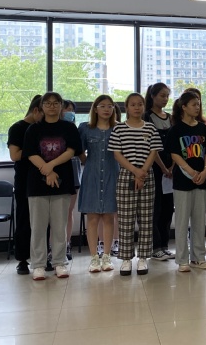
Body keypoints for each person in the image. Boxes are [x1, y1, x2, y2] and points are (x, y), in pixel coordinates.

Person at [23, 92, 82, 280]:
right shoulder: (33, 129)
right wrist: (47, 170)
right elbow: (30, 153)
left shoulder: (68, 127)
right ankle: (38, 265)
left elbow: (71, 150)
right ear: (41, 106)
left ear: (61, 106)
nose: (52, 106)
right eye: (47, 103)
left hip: (62, 182)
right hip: (37, 184)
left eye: (56, 103)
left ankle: (59, 262)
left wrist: (52, 165)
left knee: (59, 226)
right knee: (38, 227)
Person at [108, 93, 161, 276]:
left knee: (146, 219)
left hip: (147, 175)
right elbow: (117, 154)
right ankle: (125, 259)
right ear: (127, 108)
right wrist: (135, 171)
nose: (137, 107)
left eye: (140, 104)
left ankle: (143, 258)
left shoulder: (150, 128)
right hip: (126, 175)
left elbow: (154, 151)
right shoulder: (119, 128)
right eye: (133, 104)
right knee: (125, 219)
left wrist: (142, 171)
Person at [166, 91, 206, 272]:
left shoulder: (203, 128)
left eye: (198, 104)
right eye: (194, 104)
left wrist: (205, 170)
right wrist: (190, 171)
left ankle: (198, 257)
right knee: (182, 221)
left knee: (199, 221)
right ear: (184, 107)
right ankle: (182, 260)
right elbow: (174, 154)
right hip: (183, 181)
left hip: (202, 179)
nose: (197, 107)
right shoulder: (175, 129)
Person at [78, 95, 120, 273]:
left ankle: (107, 256)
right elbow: (79, 151)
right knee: (93, 218)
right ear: (95, 109)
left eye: (110, 106)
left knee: (109, 217)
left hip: (113, 174)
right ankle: (94, 257)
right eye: (102, 106)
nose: (106, 109)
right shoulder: (85, 128)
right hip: (92, 176)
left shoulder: (118, 128)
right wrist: (89, 163)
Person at [7, 94, 43, 275]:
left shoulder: (43, 128)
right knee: (23, 218)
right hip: (24, 179)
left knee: (44, 221)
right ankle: (22, 259)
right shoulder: (17, 128)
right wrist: (32, 151)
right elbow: (14, 155)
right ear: (36, 110)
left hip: (42, 178)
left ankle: (43, 257)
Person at [143, 83, 176, 261]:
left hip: (170, 170)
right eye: (162, 95)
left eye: (167, 96)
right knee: (154, 208)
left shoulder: (171, 118)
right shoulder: (146, 117)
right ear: (153, 96)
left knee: (168, 209)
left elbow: (175, 144)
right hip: (154, 169)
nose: (165, 99)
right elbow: (151, 147)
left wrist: (171, 167)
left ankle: (164, 245)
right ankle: (154, 247)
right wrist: (163, 167)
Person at [61, 99, 80, 260]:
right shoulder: (55, 129)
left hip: (73, 174)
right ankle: (54, 247)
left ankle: (67, 244)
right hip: (57, 174)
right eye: (66, 109)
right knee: (55, 214)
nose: (69, 112)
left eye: (71, 110)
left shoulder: (75, 129)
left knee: (68, 211)